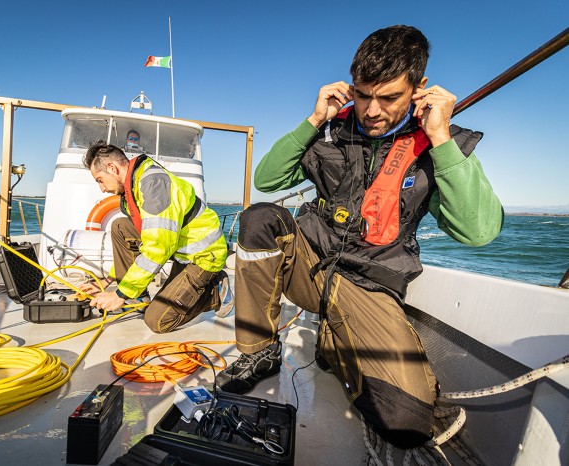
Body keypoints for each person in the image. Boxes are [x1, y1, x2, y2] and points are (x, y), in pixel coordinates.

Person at [215, 25, 503, 449]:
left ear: (419, 89)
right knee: (259, 218)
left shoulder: (436, 148)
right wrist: (315, 118)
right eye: (364, 94)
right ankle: (260, 349)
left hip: (369, 283)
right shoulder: (332, 131)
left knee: (406, 422)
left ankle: (335, 342)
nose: (371, 110)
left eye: (388, 98)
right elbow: (266, 179)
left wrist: (440, 137)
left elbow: (478, 232)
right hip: (311, 269)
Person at [81, 141, 234, 333]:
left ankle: (215, 291)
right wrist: (105, 281)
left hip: (203, 257)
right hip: (180, 251)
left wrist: (120, 294)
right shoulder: (133, 188)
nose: (102, 188)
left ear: (112, 168)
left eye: (100, 180)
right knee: (120, 227)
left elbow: (157, 247)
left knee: (157, 320)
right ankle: (139, 297)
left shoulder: (153, 184)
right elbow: (147, 241)